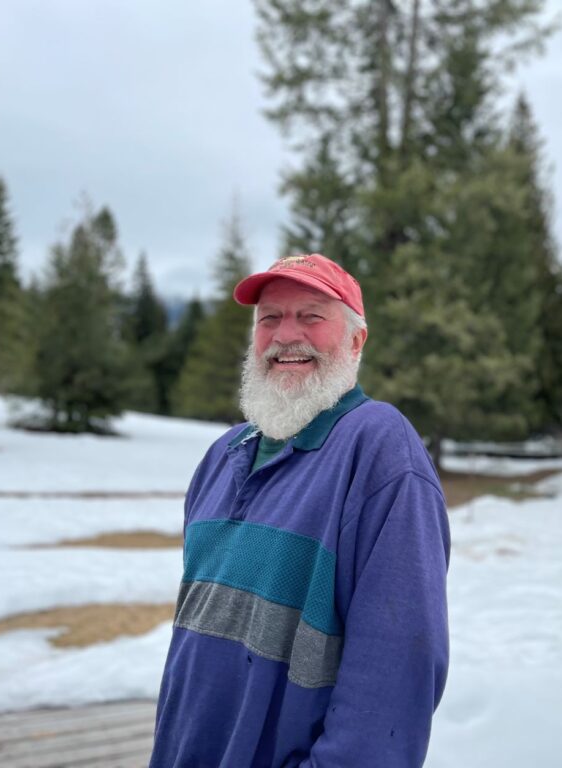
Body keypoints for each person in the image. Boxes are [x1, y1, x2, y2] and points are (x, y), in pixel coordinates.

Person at [149, 253, 450, 768]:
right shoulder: (223, 457)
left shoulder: (377, 449)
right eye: (269, 318)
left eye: (311, 315)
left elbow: (397, 670)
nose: (287, 335)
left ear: (357, 340)